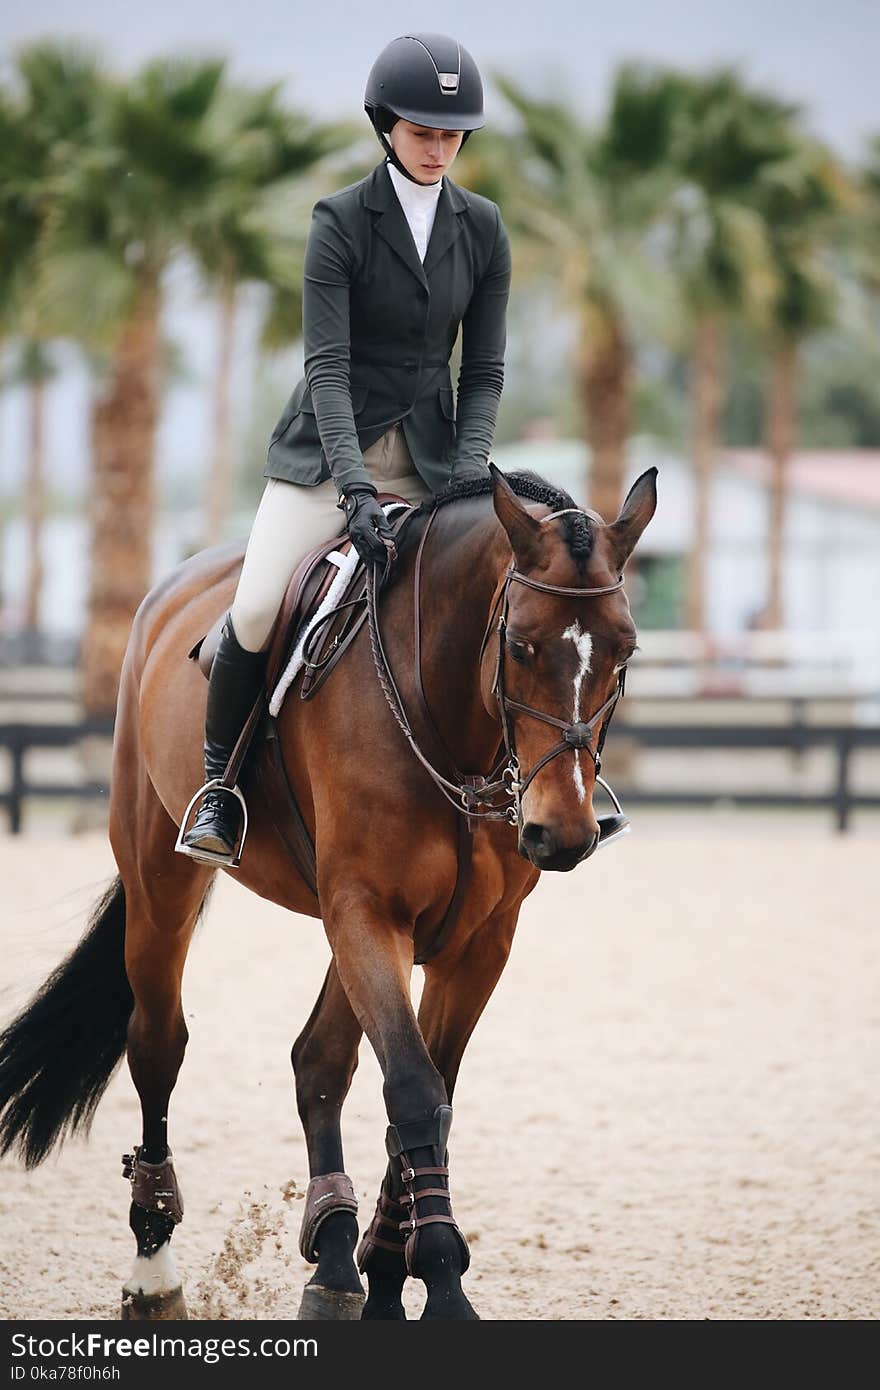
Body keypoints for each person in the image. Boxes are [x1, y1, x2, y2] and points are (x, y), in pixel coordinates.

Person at [179, 32, 512, 865]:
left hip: (439, 460)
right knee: (256, 607)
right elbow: (326, 367)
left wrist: (471, 472)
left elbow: (486, 371)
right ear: (385, 126)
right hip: (331, 456)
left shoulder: (484, 229)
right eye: (422, 130)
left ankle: (540, 785)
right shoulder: (339, 220)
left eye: (451, 133)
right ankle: (219, 788)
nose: (438, 147)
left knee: (515, 593)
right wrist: (355, 488)